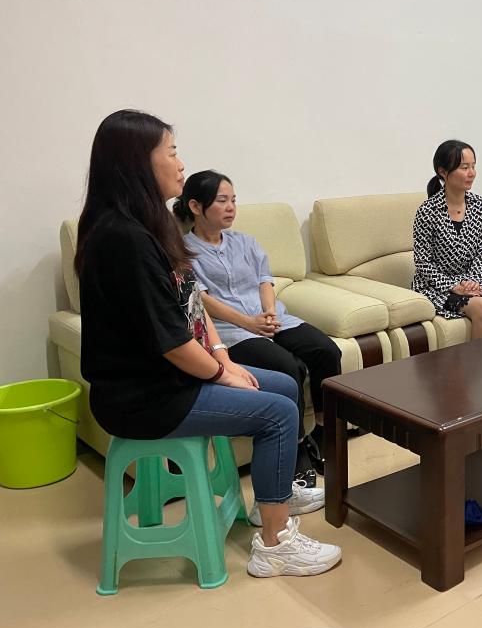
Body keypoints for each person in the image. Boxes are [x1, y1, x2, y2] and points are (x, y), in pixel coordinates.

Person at [76, 110, 341, 577]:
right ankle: (275, 546)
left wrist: (223, 358)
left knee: (282, 384)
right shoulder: (122, 239)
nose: (181, 163)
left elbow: (192, 305)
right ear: (138, 162)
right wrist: (223, 374)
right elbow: (172, 343)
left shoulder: (150, 226)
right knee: (278, 413)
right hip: (143, 396)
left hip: (172, 378)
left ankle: (271, 500)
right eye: (171, 152)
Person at [173, 170, 339, 485]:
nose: (231, 207)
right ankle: (297, 449)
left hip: (268, 318)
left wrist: (269, 313)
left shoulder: (245, 242)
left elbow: (265, 280)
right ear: (195, 206)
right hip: (231, 330)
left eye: (233, 200)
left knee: (326, 351)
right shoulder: (183, 251)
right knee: (287, 367)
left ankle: (322, 432)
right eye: (222, 201)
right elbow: (202, 301)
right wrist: (249, 323)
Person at [412, 139, 482, 339]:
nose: (471, 173)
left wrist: (472, 282)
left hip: (469, 280)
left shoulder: (478, 205)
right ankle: (480, 362)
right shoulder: (427, 211)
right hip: (436, 286)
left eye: (473, 166)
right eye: (464, 167)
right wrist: (454, 287)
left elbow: (481, 252)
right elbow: (422, 262)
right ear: (443, 172)